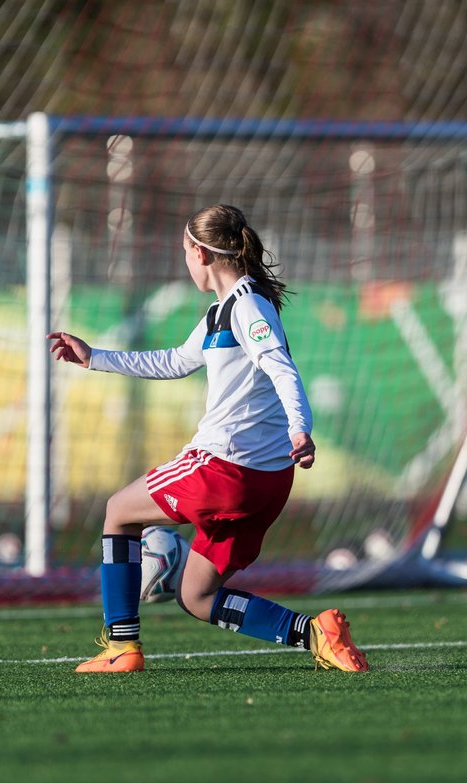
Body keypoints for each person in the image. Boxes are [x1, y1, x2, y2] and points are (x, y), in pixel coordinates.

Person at [46, 203, 369, 673]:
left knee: (119, 512)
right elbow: (175, 361)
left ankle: (122, 647)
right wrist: (95, 356)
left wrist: (301, 426)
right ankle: (318, 635)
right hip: (267, 480)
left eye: (184, 251)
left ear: (200, 253)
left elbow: (280, 366)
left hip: (225, 467)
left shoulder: (248, 305)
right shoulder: (224, 310)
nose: (184, 260)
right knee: (197, 596)